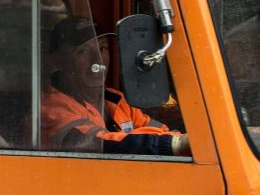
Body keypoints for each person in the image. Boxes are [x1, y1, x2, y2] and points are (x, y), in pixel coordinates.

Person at [40, 15, 189, 156]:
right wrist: (174, 144)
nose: (97, 59)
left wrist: (176, 138)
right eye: (83, 52)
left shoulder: (116, 99)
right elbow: (99, 144)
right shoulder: (50, 109)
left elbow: (161, 130)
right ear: (58, 60)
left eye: (102, 48)